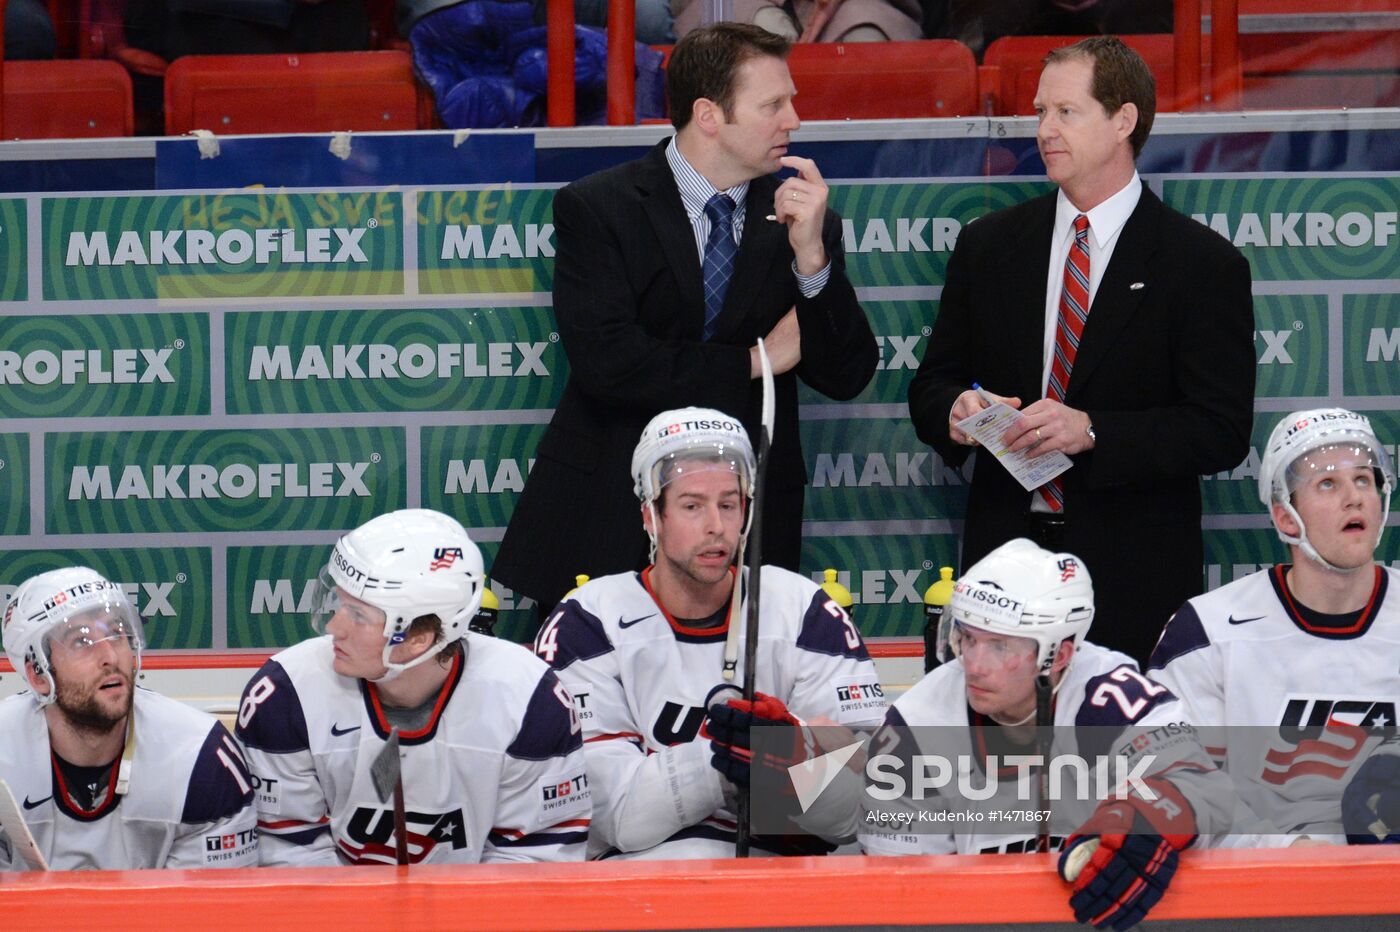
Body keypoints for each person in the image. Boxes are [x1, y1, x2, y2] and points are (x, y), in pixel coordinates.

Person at [495, 22, 878, 620]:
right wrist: (754, 363)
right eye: (773, 104)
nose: (794, 120)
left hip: (743, 530)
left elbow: (847, 372)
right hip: (605, 515)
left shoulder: (803, 221)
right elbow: (611, 364)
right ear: (708, 115)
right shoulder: (598, 207)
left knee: (736, 709)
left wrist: (812, 263)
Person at [907, 35, 1255, 667]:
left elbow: (1220, 430)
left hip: (1134, 573)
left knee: (1127, 761)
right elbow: (932, 384)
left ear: (1124, 120)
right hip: (1004, 563)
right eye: (1041, 112)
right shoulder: (989, 246)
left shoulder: (1201, 265)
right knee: (1001, 761)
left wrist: (1092, 433)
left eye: (1065, 112)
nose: (1044, 130)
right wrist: (955, 411)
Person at [534, 407, 886, 858]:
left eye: (728, 504)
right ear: (651, 516)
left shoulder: (804, 609)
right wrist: (728, 757)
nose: (716, 526)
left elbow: (867, 810)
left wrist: (792, 752)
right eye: (692, 505)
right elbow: (610, 815)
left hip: (780, 892)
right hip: (635, 894)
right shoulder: (589, 620)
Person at [859, 539, 1234, 930]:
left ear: (1061, 656)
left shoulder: (1110, 699)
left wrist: (1149, 813)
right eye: (968, 638)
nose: (974, 665)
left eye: (1000, 646)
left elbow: (1206, 789)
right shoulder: (914, 727)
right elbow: (904, 897)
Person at [234, 508, 590, 866]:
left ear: (419, 638)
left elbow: (534, 863)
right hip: (341, 920)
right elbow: (290, 860)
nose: (333, 628)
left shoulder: (530, 698)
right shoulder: (285, 694)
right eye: (339, 604)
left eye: (358, 615)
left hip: (475, 918)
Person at [1149, 407, 1400, 843]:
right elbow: (1176, 791)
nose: (1355, 497)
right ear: (1287, 518)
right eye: (1328, 483)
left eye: (1363, 479)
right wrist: (1295, 857)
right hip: (1262, 889)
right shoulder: (1206, 633)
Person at [0, 567, 257, 871]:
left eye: (117, 631)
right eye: (82, 641)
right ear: (38, 674)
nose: (110, 655)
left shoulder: (201, 756)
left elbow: (205, 912)